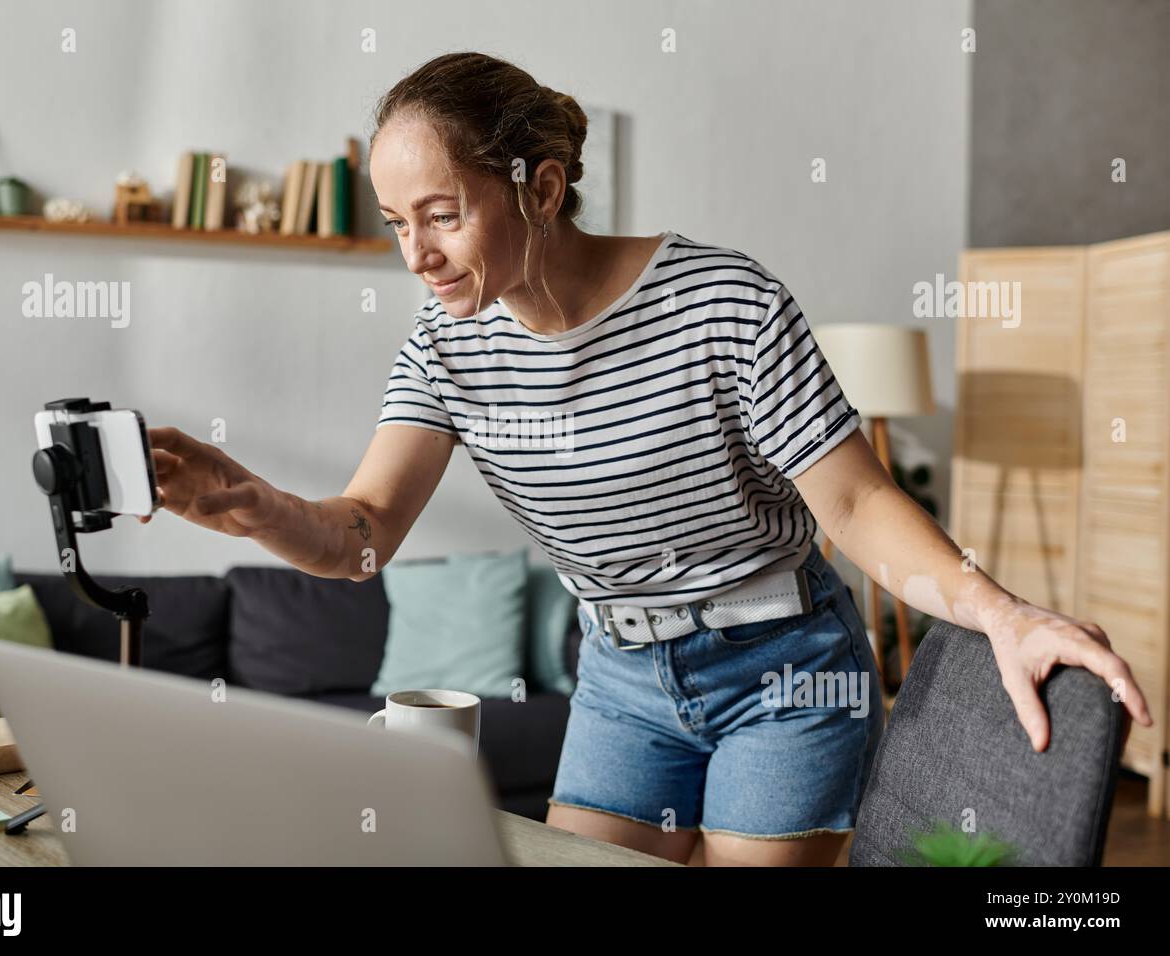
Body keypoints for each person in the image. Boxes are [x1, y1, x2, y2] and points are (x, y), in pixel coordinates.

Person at [141, 51, 1152, 866]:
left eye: (442, 214)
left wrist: (998, 609)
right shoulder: (445, 349)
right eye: (398, 223)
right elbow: (361, 537)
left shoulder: (722, 301)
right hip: (622, 678)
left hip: (784, 668)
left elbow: (853, 500)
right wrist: (244, 500)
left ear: (538, 188)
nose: (416, 254)